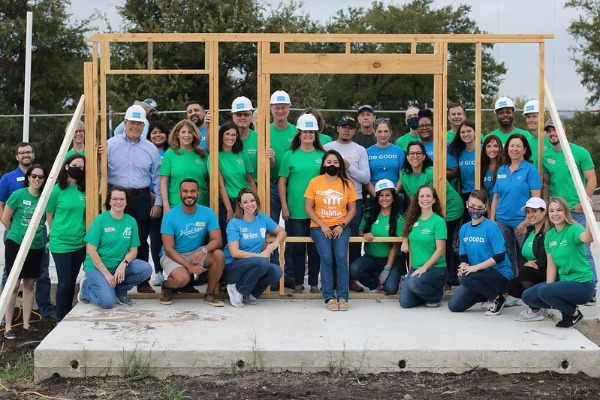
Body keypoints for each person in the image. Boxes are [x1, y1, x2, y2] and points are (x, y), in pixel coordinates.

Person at [107, 104, 162, 294]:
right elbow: (99, 170)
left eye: (139, 124)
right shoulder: (110, 144)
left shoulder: (150, 149)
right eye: (132, 123)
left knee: (140, 239)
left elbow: (157, 178)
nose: (135, 127)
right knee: (113, 237)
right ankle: (111, 277)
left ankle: (143, 280)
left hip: (141, 198)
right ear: (125, 122)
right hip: (115, 197)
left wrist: (159, 202)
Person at [542, 119, 597, 302]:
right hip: (557, 212)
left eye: (555, 129)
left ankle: (592, 288)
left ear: (564, 130)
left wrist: (585, 202)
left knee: (583, 248)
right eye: (549, 131)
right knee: (558, 250)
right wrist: (546, 205)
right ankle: (561, 286)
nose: (552, 134)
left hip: (576, 210)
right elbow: (547, 183)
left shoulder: (579, 152)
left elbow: (591, 180)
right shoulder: (547, 156)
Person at [0, 142, 54, 319]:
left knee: (41, 272)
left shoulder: (44, 180)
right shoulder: (7, 179)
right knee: (10, 275)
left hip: (38, 237)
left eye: (29, 152)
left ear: (33, 155)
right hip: (15, 235)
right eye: (22, 152)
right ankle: (6, 311)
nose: (26, 155)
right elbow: (2, 207)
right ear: (16, 156)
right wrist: (12, 230)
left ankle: (44, 308)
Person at [522, 197, 595, 328]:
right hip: (564, 282)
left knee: (544, 291)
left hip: (582, 284)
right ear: (548, 214)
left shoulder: (574, 229)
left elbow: (588, 238)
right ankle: (567, 309)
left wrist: (589, 214)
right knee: (528, 297)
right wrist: (549, 290)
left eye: (559, 210)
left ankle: (574, 314)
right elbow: (551, 265)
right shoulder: (549, 235)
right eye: (551, 211)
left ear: (566, 211)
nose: (555, 214)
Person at [399, 141, 464, 286]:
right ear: (407, 157)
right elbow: (412, 201)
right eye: (412, 153)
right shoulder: (404, 175)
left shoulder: (430, 172)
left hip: (449, 207)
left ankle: (445, 280)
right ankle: (421, 272)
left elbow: (431, 200)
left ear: (423, 156)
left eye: (419, 153)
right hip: (428, 207)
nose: (415, 156)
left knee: (441, 242)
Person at [77, 186, 152, 308]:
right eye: (115, 199)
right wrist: (107, 274)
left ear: (127, 202)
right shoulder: (100, 220)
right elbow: (91, 250)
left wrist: (123, 264)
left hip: (118, 266)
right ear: (109, 201)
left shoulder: (131, 222)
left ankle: (120, 290)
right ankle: (86, 289)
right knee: (107, 303)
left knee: (145, 269)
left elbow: (133, 251)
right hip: (98, 267)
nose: (118, 202)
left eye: (122, 199)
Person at [158, 179, 225, 307]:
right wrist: (189, 267)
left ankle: (209, 294)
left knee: (219, 255)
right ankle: (166, 286)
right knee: (182, 279)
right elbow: (168, 249)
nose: (189, 195)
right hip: (173, 254)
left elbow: (217, 240)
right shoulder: (170, 216)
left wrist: (204, 249)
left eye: (193, 191)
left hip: (195, 252)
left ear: (198, 193)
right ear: (179, 193)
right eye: (185, 191)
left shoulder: (207, 212)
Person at [305, 150, 357, 311]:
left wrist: (342, 225)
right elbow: (308, 208)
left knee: (341, 258)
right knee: (326, 258)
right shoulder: (315, 182)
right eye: (329, 162)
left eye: (335, 162)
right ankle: (329, 297)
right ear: (323, 164)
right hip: (320, 227)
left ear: (340, 164)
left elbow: (352, 210)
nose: (332, 165)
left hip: (341, 226)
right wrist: (322, 225)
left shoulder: (347, 184)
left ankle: (342, 297)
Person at [447, 190, 514, 315]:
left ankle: (497, 299)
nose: (475, 210)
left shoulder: (491, 227)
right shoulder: (464, 228)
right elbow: (463, 255)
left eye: (479, 207)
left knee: (465, 277)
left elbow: (499, 256)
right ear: (467, 204)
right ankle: (488, 295)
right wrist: (463, 266)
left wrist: (474, 268)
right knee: (454, 306)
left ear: (485, 207)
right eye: (472, 206)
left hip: (499, 275)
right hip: (478, 276)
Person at [278, 114, 325, 293]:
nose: (308, 135)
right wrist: (284, 205)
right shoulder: (290, 155)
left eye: (311, 132)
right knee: (297, 247)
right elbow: (282, 182)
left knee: (315, 247)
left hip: (318, 211)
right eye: (305, 132)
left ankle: (314, 283)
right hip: (295, 209)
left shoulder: (322, 155)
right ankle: (298, 282)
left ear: (315, 134)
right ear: (299, 133)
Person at [2, 165, 48, 339]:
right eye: (34, 176)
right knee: (13, 284)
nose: (37, 179)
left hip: (35, 245)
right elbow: (6, 218)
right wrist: (16, 235)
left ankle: (27, 323)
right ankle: (8, 325)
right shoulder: (18, 196)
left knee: (29, 284)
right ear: (28, 177)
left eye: (40, 177)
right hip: (16, 244)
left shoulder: (45, 199)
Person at [324, 116, 370, 287]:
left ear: (354, 130)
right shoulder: (328, 148)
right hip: (331, 201)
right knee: (331, 240)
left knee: (352, 241)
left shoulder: (360, 150)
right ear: (337, 128)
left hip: (354, 200)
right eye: (343, 126)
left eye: (350, 127)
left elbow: (366, 178)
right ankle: (332, 279)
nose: (347, 130)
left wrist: (348, 166)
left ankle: (351, 279)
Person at [222, 188, 285, 307]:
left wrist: (274, 243)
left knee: (276, 271)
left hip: (254, 265)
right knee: (263, 263)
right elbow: (234, 252)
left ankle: (247, 293)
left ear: (256, 202)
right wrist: (260, 255)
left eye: (252, 200)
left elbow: (282, 231)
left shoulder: (262, 218)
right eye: (245, 202)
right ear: (240, 205)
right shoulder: (234, 223)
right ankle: (236, 288)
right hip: (232, 267)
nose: (249, 204)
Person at [490, 134, 542, 275]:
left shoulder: (530, 169)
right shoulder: (502, 169)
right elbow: (496, 197)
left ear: (525, 150)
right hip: (502, 221)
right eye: (511, 146)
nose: (514, 149)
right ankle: (511, 284)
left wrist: (527, 221)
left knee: (526, 254)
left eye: (518, 146)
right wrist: (492, 219)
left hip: (522, 222)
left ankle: (526, 284)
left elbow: (536, 199)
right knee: (507, 255)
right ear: (507, 149)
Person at [46, 155, 86, 323]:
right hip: (60, 242)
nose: (79, 168)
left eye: (82, 167)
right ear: (67, 166)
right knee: (64, 281)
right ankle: (60, 317)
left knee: (72, 279)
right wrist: (56, 232)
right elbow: (49, 214)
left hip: (80, 242)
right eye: (75, 165)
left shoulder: (85, 189)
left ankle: (68, 311)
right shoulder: (56, 189)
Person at [350, 179, 406, 294]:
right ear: (377, 197)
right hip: (372, 257)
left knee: (390, 289)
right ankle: (376, 282)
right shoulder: (369, 214)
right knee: (354, 270)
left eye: (387, 195)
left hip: (392, 259)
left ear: (393, 197)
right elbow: (360, 232)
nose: (384, 198)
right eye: (381, 195)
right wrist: (365, 234)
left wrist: (387, 268)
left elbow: (395, 246)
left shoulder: (398, 218)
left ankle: (391, 276)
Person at [399, 185, 447, 308]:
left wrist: (425, 267)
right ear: (417, 199)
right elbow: (406, 231)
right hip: (416, 268)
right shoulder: (413, 219)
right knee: (405, 303)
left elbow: (441, 249)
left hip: (436, 269)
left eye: (428, 196)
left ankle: (437, 295)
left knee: (414, 283)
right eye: (422, 196)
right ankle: (424, 294)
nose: (425, 199)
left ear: (434, 200)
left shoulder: (438, 221)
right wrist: (405, 240)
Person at [509, 197, 550, 322]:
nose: (530, 215)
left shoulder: (548, 232)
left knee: (525, 272)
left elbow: (545, 259)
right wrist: (525, 264)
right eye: (528, 212)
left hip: (544, 271)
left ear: (543, 212)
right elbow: (521, 255)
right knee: (511, 287)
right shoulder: (530, 231)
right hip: (531, 271)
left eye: (534, 211)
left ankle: (535, 310)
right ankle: (543, 305)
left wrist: (529, 266)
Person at [218, 121, 257, 245]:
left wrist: (255, 200)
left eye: (234, 135)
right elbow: (220, 186)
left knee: (247, 236)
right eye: (227, 134)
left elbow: (250, 180)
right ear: (221, 136)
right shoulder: (215, 156)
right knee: (230, 238)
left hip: (246, 200)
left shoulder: (242, 154)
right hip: (228, 201)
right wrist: (229, 209)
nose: (231, 137)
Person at [160, 119, 209, 211]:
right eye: (183, 132)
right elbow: (163, 182)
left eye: (190, 132)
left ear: (194, 135)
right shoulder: (170, 154)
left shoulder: (202, 154)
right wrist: (166, 205)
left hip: (201, 206)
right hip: (176, 205)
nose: (187, 135)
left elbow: (208, 180)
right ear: (178, 135)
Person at [147, 120, 170, 286]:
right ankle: (159, 272)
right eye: (153, 132)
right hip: (151, 200)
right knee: (155, 239)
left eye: (161, 132)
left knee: (172, 239)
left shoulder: (172, 153)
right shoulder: (145, 151)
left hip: (170, 201)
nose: (157, 135)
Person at [365, 118, 405, 199]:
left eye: (386, 131)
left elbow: (403, 175)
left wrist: (394, 193)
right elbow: (365, 178)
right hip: (374, 193)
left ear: (391, 132)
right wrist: (376, 195)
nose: (383, 135)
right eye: (379, 131)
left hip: (394, 193)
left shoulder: (398, 151)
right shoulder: (367, 152)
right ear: (374, 133)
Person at [449, 120, 477, 210]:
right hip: (465, 194)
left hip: (480, 193)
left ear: (475, 132)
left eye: (469, 131)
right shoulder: (458, 152)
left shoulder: (482, 149)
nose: (466, 134)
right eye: (462, 132)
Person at [480, 134, 504, 202]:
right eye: (488, 146)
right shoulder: (481, 168)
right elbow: (483, 194)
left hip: (503, 207)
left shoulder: (506, 167)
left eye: (495, 146)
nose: (492, 150)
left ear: (500, 148)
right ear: (484, 149)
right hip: (487, 206)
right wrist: (490, 212)